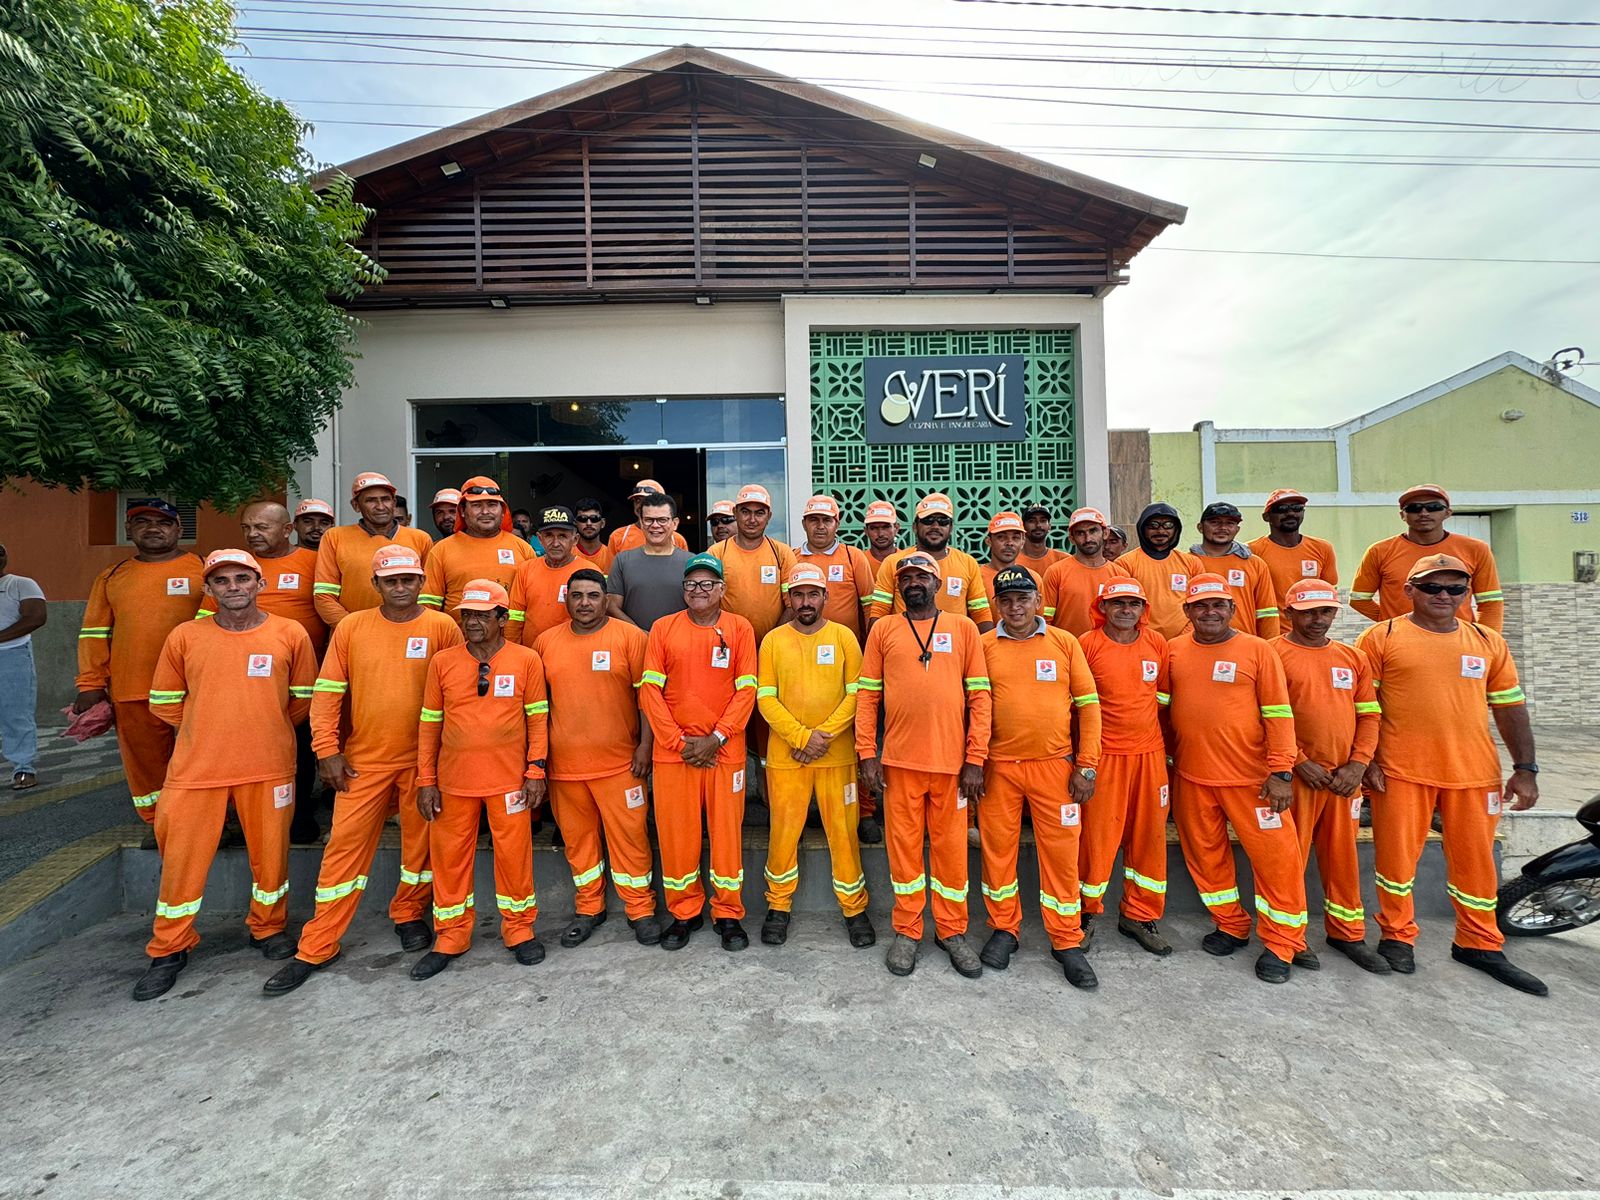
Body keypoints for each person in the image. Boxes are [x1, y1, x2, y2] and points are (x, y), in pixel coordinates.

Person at [262, 544, 464, 995]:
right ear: (375, 585)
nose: (400, 587)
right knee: (343, 853)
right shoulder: (352, 628)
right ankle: (318, 944)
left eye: (408, 579)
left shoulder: (443, 627)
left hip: (424, 763)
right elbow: (328, 693)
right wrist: (326, 751)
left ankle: (409, 913)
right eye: (390, 580)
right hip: (363, 762)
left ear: (421, 582)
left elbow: (459, 693)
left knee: (421, 851)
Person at [1355, 553, 1544, 994]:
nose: (1445, 596)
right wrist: (1368, 761)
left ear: (1467, 593)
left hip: (1474, 774)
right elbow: (1363, 709)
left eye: (1456, 589)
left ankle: (1479, 942)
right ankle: (1397, 936)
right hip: (1401, 771)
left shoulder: (1486, 642)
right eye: (1433, 587)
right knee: (1396, 863)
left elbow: (1510, 708)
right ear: (1409, 591)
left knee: (1476, 865)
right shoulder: (1381, 637)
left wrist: (1526, 769)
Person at [131, 549, 317, 1000]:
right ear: (208, 589)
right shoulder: (185, 637)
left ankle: (268, 928)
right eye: (222, 581)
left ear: (259, 583)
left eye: (241, 578)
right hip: (197, 769)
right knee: (181, 863)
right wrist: (207, 727)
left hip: (269, 766)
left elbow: (303, 699)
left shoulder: (289, 633)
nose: (233, 587)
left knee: (271, 857)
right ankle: (169, 946)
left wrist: (262, 725)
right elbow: (164, 701)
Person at [1164, 573, 1308, 984]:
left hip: (1255, 781)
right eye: (1200, 605)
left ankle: (1283, 942)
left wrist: (1281, 771)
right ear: (1188, 611)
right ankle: (1230, 924)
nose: (1209, 612)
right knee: (1207, 859)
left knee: (1277, 863)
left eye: (1218, 605)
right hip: (1193, 777)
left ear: (1232, 609)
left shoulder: (1257, 651)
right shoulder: (1173, 651)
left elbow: (1279, 713)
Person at [856, 552, 992, 978]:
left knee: (951, 854)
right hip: (898, 763)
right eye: (907, 577)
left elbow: (980, 698)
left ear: (938, 583)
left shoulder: (964, 627)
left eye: (922, 576)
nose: (914, 582)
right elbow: (867, 697)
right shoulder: (883, 629)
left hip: (952, 767)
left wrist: (975, 758)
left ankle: (951, 931)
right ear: (898, 586)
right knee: (905, 853)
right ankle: (908, 930)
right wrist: (866, 752)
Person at [412, 580, 549, 979]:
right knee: (450, 861)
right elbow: (428, 724)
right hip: (453, 783)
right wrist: (426, 779)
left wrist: (535, 771)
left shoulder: (527, 660)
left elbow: (537, 718)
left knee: (514, 859)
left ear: (503, 618)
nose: (471, 622)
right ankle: (451, 935)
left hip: (510, 783)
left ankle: (520, 930)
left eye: (482, 615)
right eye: (467, 615)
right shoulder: (442, 662)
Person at [976, 566, 1100, 989]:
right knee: (997, 851)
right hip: (999, 767)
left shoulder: (1065, 643)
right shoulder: (983, 644)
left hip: (1056, 769)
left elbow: (1088, 707)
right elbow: (970, 708)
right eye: (1007, 600)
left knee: (1063, 854)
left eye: (1023, 599)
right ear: (997, 605)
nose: (1015, 607)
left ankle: (1066, 939)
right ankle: (1003, 929)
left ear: (1038, 602)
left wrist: (1086, 765)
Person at [534, 569, 661, 947]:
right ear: (566, 599)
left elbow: (648, 699)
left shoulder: (631, 639)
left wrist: (645, 747)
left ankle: (641, 909)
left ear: (607, 599)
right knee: (579, 844)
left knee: (631, 840)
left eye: (593, 595)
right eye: (577, 596)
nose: (584, 603)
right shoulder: (545, 643)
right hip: (565, 769)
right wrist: (539, 762)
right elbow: (538, 708)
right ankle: (589, 907)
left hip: (622, 765)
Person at [640, 554, 758, 952]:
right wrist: (677, 741)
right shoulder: (662, 628)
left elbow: (747, 691)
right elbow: (650, 692)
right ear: (683, 590)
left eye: (708, 584)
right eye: (692, 584)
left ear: (722, 590)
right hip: (675, 754)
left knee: (726, 836)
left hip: (725, 752)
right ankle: (684, 913)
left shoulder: (739, 628)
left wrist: (717, 737)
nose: (699, 591)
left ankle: (728, 915)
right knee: (678, 837)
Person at [1271, 579, 1389, 975]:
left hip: (1343, 780)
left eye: (1324, 611)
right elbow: (1262, 719)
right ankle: (1290, 938)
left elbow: (1369, 714)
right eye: (1307, 612)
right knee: (1289, 861)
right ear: (1289, 613)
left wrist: (1358, 764)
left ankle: (1347, 932)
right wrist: (1298, 762)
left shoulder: (1352, 658)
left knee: (1343, 860)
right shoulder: (1271, 655)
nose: (1317, 619)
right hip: (1298, 778)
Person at [756, 564, 874, 949]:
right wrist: (801, 737)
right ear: (788, 598)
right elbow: (765, 697)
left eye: (813, 594)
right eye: (798, 595)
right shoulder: (773, 640)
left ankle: (855, 910)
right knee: (782, 834)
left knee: (844, 836)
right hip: (787, 756)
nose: (805, 602)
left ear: (826, 597)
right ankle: (778, 907)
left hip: (836, 757)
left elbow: (857, 694)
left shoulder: (843, 638)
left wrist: (821, 738)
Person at [75, 499, 207, 827]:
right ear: (128, 530)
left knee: (203, 757)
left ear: (178, 529)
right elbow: (93, 633)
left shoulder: (205, 568)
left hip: (194, 687)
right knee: (146, 765)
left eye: (163, 523)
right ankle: (161, 823)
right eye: (142, 522)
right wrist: (90, 683)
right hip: (132, 689)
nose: (153, 529)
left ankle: (211, 819)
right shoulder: (112, 576)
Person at [1077, 579, 1173, 957]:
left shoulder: (1157, 644)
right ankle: (1084, 915)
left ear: (1143, 609)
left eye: (1133, 604)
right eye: (1117, 604)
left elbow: (1162, 697)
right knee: (1096, 841)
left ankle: (1140, 914)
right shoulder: (1087, 645)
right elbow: (1077, 706)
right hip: (1105, 757)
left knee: (1149, 838)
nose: (1125, 610)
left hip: (1149, 757)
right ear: (1104, 607)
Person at [241, 501, 329, 845]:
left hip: (305, 677)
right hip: (248, 681)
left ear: (287, 530)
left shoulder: (315, 562)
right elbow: (208, 617)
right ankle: (248, 819)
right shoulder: (239, 565)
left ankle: (299, 815)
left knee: (301, 749)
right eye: (247, 527)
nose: (253, 534)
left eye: (261, 527)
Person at [1351, 485, 1503, 631]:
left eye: (1433, 507)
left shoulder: (1476, 549)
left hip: (1458, 641)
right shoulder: (1379, 551)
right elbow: (1359, 600)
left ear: (1448, 512)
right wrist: (1391, 623)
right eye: (1414, 508)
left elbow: (1490, 602)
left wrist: (1486, 640)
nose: (1424, 513)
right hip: (1402, 641)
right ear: (1403, 515)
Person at [313, 472, 433, 628]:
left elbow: (428, 594)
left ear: (394, 503)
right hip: (352, 635)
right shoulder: (335, 537)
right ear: (356, 505)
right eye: (370, 501)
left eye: (385, 499)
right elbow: (324, 595)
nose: (380, 506)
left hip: (410, 633)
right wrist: (355, 629)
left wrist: (412, 625)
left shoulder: (420, 539)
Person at [867, 493, 993, 633]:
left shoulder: (968, 563)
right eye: (928, 520)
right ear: (915, 526)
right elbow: (879, 612)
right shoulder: (893, 562)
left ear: (951, 527)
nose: (935, 526)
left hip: (954, 648)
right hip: (905, 645)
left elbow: (981, 613)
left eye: (943, 521)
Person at [421, 475, 536, 618]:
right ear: (462, 511)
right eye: (476, 505)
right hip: (458, 639)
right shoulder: (441, 550)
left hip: (510, 639)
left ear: (502, 511)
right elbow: (427, 607)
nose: (485, 512)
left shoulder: (523, 549)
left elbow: (534, 604)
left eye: (492, 504)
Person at [709, 484, 797, 648]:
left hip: (774, 646)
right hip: (727, 644)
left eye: (759, 513)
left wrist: (770, 642)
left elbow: (793, 605)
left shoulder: (782, 553)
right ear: (735, 513)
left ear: (769, 516)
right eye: (745, 512)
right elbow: (708, 604)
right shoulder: (716, 553)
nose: (752, 520)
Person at [793, 494, 876, 645]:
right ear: (804, 524)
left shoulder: (853, 556)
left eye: (827, 520)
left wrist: (871, 643)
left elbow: (869, 604)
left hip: (846, 646)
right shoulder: (791, 558)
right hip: (800, 644)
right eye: (813, 520)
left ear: (837, 524)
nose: (820, 526)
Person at [1191, 502, 1280, 639]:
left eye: (1230, 523)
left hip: (1244, 646)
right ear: (1200, 527)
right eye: (1215, 522)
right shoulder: (1186, 563)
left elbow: (1267, 612)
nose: (1222, 528)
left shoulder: (1255, 564)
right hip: (1198, 644)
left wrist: (1270, 646)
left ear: (1237, 529)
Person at [606, 494, 692, 630]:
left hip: (677, 645)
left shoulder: (691, 562)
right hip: (634, 645)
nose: (655, 525)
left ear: (674, 524)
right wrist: (641, 635)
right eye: (649, 520)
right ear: (641, 522)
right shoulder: (622, 560)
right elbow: (612, 607)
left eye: (662, 520)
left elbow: (698, 609)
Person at [1042, 507, 1132, 637]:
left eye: (1093, 531)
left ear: (1105, 533)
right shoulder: (1056, 572)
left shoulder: (1120, 575)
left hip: (1106, 651)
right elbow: (1046, 618)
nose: (1088, 538)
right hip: (1068, 650)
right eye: (1080, 533)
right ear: (1072, 538)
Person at [1117, 503, 1202, 639]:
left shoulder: (1191, 563)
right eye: (1153, 525)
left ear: (1176, 529)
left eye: (1168, 525)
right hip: (1141, 639)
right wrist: (1143, 637)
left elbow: (1200, 603)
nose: (1161, 531)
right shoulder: (1125, 564)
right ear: (1142, 528)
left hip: (1185, 639)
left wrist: (1185, 636)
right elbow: (1122, 607)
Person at [0, 543, 46, 790]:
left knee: (15, 714)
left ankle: (23, 768)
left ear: (5, 556)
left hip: (11, 655)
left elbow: (36, 617)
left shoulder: (21, 584)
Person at [508, 505, 590, 644]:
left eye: (563, 536)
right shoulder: (526, 569)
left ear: (575, 539)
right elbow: (515, 619)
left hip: (571, 654)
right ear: (540, 539)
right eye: (549, 535)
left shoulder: (589, 571)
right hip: (532, 656)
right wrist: (513, 652)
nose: (555, 543)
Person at [1247, 488, 1339, 613]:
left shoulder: (1322, 548)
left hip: (1308, 630)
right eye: (1282, 509)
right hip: (1268, 631)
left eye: (1297, 508)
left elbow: (1329, 595)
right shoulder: (1251, 551)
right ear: (1266, 516)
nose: (1291, 513)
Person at [978, 512, 1042, 610]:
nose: (1009, 543)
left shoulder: (1033, 578)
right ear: (989, 541)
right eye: (1001, 537)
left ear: (1022, 542)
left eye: (1015, 538)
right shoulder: (976, 577)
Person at [607, 479, 689, 555]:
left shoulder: (677, 539)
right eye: (637, 500)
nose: (641, 505)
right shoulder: (619, 536)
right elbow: (610, 570)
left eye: (648, 501)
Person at [1020, 503, 1067, 571]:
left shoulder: (1062, 560)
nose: (1038, 525)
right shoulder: (1012, 561)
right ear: (1023, 526)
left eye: (1043, 521)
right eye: (1031, 521)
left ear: (1049, 526)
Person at [572, 497, 613, 572]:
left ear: (602, 523)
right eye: (583, 519)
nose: (589, 523)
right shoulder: (567, 553)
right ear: (575, 523)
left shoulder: (611, 556)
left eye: (594, 519)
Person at [861, 500, 901, 566]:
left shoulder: (906, 560)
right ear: (866, 531)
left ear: (896, 528)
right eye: (874, 528)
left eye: (886, 527)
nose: (880, 534)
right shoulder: (858, 561)